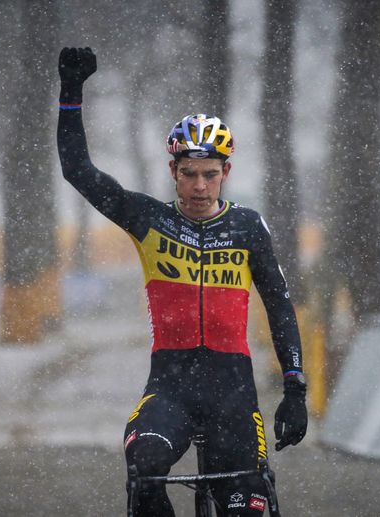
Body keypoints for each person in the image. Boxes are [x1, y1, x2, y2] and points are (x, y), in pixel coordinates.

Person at [56, 47, 307, 516]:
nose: (198, 186)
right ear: (173, 171)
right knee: (145, 467)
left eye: (210, 175)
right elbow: (77, 171)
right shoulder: (147, 218)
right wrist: (71, 93)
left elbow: (280, 306)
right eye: (188, 174)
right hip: (169, 388)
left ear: (226, 173)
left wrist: (295, 390)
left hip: (233, 394)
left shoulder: (248, 227)